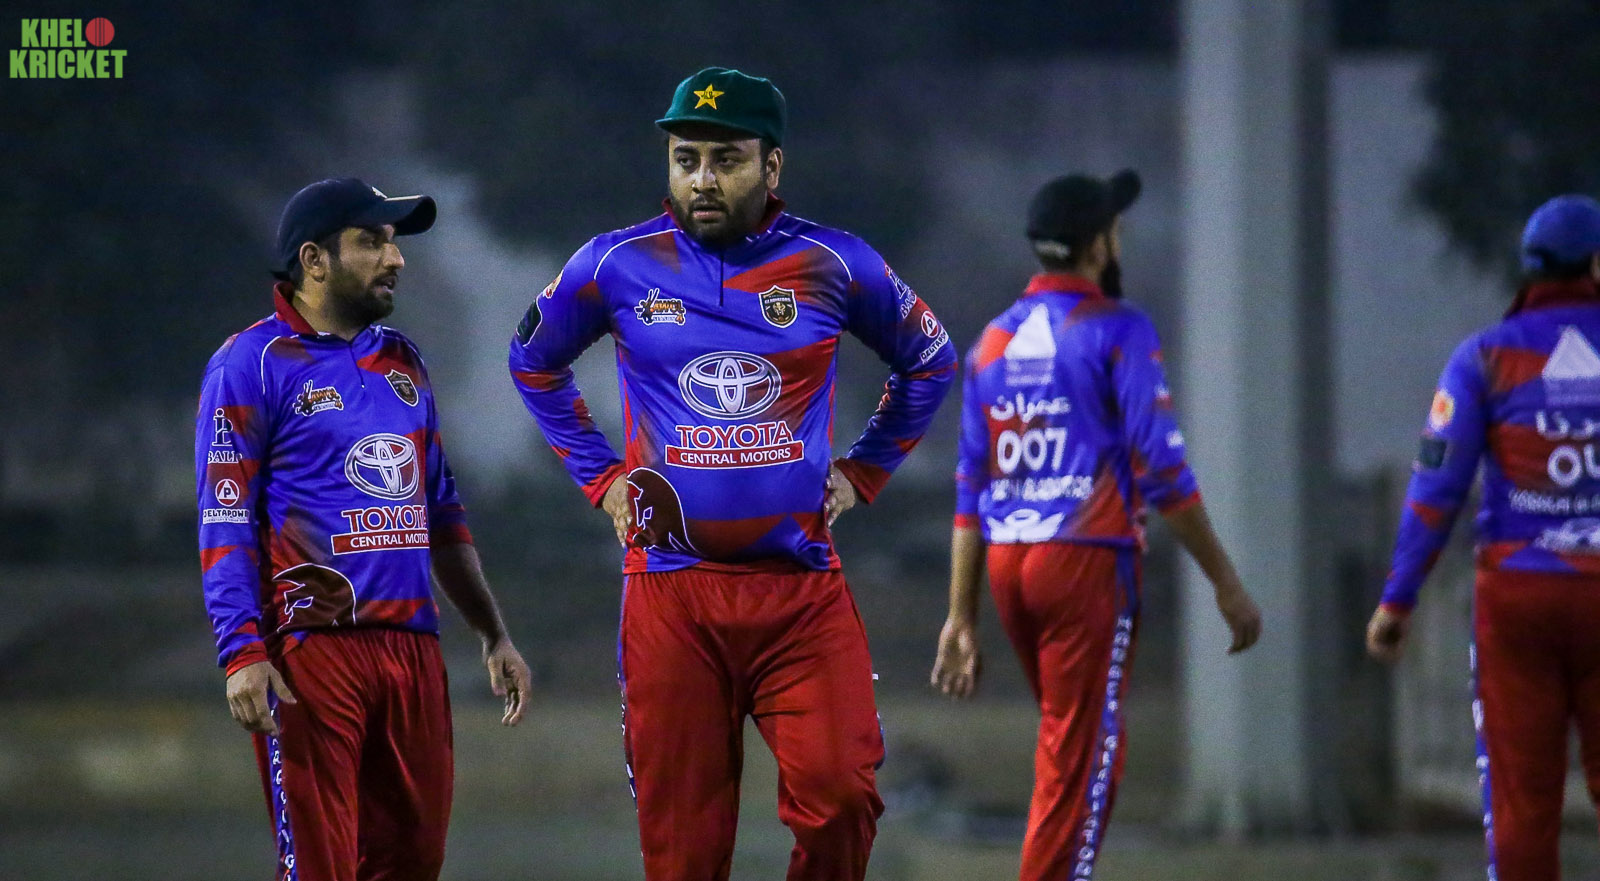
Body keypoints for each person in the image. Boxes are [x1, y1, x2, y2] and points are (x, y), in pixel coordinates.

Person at [508, 67, 956, 881]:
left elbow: (929, 360)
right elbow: (533, 361)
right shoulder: (616, 264)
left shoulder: (833, 261)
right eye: (686, 159)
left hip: (799, 592)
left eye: (726, 159)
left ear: (771, 166)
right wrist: (603, 479)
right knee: (683, 850)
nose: (703, 179)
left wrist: (865, 470)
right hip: (671, 595)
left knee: (842, 798)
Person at [196, 177, 531, 881]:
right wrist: (241, 650)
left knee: (413, 860)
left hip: (412, 649)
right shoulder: (250, 364)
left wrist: (491, 631)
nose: (396, 258)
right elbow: (225, 518)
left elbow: (442, 509)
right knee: (322, 866)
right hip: (311, 651)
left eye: (395, 242)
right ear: (314, 260)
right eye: (372, 241)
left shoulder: (403, 360)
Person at [931, 170, 1262, 880]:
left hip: (1009, 567)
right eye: (1115, 228)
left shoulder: (990, 343)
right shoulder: (1118, 328)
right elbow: (1162, 469)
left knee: (1074, 746)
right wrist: (1226, 581)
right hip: (1082, 563)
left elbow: (970, 486)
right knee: (1083, 761)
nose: (1120, 238)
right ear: (1098, 247)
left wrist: (961, 614)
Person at [1366, 194, 1600, 881]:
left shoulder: (1484, 358)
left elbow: (1436, 488)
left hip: (1518, 600)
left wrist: (1397, 600)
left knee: (1523, 803)